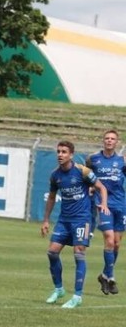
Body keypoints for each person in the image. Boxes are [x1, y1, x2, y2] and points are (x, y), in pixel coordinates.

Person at [41, 140, 109, 309]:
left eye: (64, 152)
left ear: (71, 154)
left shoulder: (82, 171)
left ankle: (77, 296)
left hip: (81, 219)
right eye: (58, 151)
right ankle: (59, 289)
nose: (60, 155)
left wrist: (104, 204)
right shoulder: (55, 175)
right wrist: (46, 220)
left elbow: (101, 187)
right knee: (52, 252)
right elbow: (51, 197)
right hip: (64, 220)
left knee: (79, 253)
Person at [85, 129, 126, 295]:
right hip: (103, 205)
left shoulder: (122, 161)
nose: (109, 141)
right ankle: (111, 278)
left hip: (121, 204)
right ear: (103, 141)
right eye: (107, 138)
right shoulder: (93, 158)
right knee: (109, 240)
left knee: (116, 243)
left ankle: (104, 274)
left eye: (112, 139)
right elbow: (86, 175)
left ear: (117, 142)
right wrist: (89, 188)